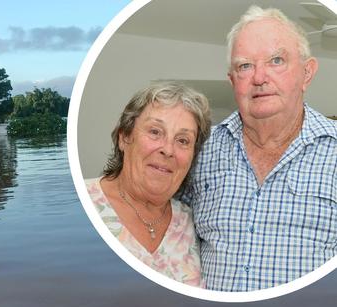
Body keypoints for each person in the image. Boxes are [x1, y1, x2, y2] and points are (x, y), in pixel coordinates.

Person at [183, 6, 337, 291]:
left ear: (307, 73)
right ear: (232, 81)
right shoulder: (197, 150)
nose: (259, 77)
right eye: (244, 66)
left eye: (276, 60)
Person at [86, 82, 211, 286]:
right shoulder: (81, 202)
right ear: (125, 137)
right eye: (155, 132)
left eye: (183, 140)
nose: (168, 149)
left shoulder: (192, 221)